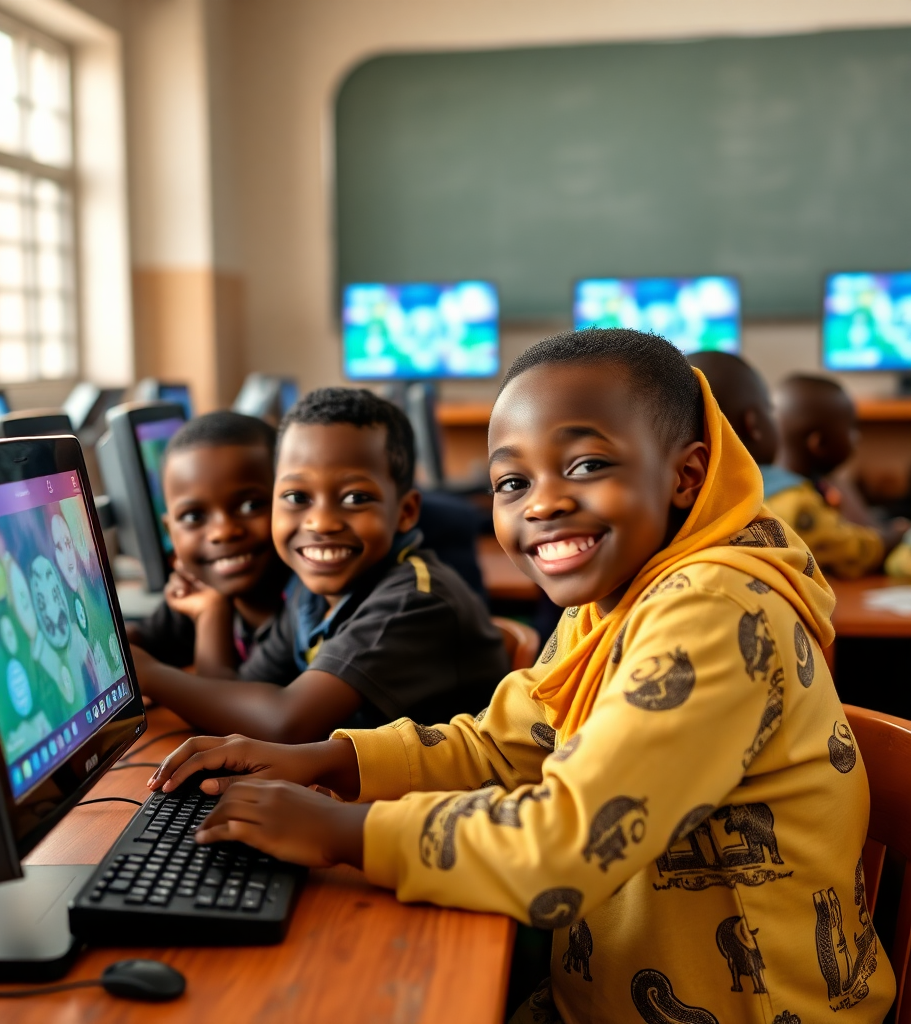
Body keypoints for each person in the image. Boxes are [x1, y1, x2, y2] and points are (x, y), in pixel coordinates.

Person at [149, 329, 895, 1024]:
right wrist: (331, 761)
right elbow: (506, 744)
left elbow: (565, 843)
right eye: (511, 483)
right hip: (601, 992)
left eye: (587, 466)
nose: (543, 502)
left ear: (685, 475)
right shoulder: (615, 597)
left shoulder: (711, 613)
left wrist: (343, 830)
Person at [131, 387, 508, 741]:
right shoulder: (312, 592)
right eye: (297, 496)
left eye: (355, 497)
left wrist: (149, 675)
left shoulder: (411, 602)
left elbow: (285, 722)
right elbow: (231, 698)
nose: (321, 523)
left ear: (406, 512)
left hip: (455, 802)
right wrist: (212, 611)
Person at [690, 353, 906, 578]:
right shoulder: (793, 500)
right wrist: (893, 537)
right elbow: (847, 550)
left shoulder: (712, 499)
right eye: (770, 411)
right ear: (753, 425)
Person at [125, 411, 290, 676]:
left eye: (250, 506)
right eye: (193, 516)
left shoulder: (307, 606)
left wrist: (211, 613)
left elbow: (226, 711)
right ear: (171, 530)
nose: (223, 532)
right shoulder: (203, 583)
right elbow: (144, 640)